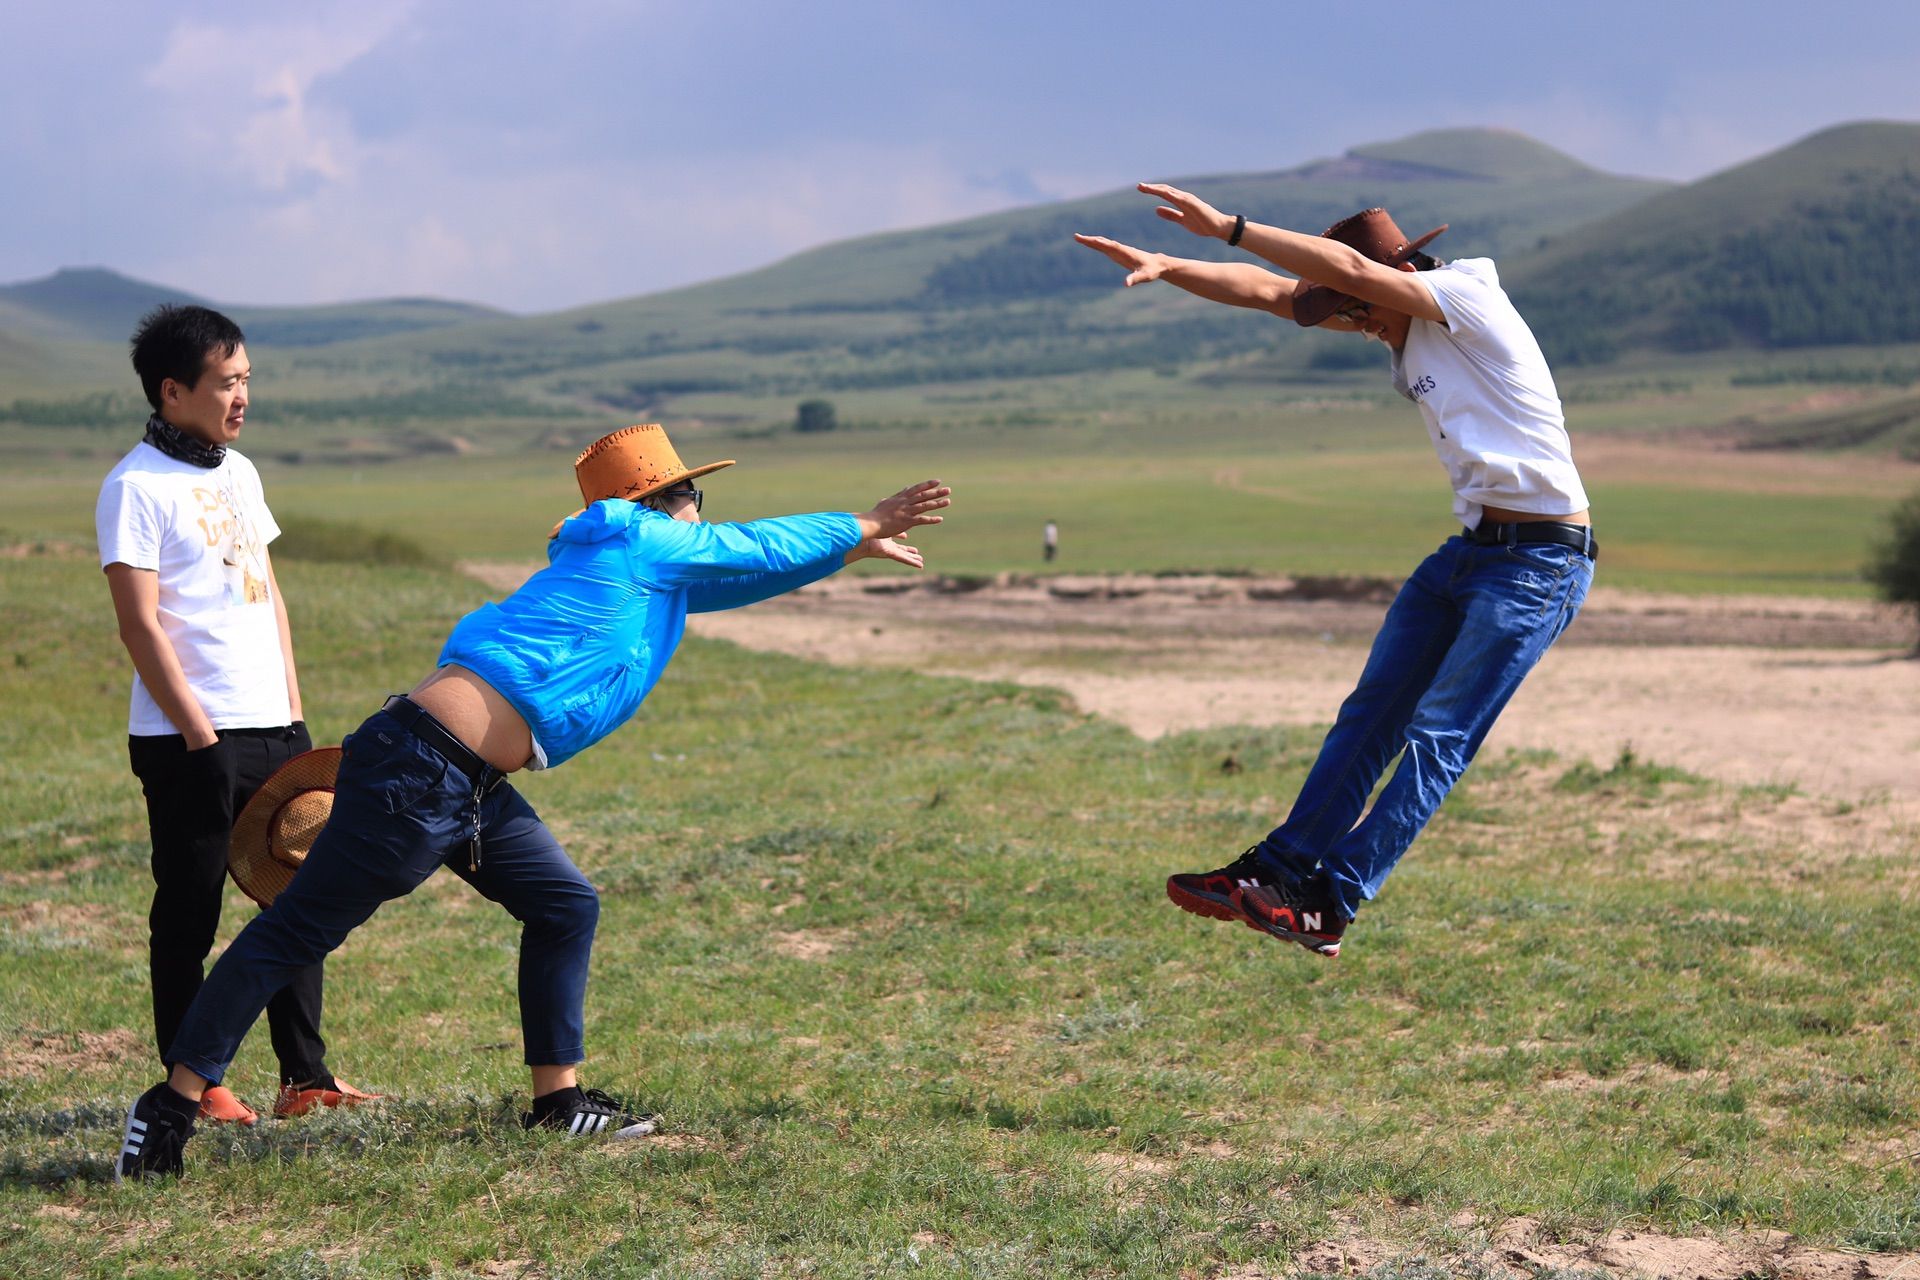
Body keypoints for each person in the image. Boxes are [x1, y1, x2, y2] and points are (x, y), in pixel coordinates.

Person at [115, 423, 952, 1179]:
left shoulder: (640, 566)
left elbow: (743, 574)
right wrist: (863, 522)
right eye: (691, 493)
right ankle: (169, 1109)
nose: (700, 508)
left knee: (563, 903)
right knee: (294, 931)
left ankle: (559, 1102)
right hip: (423, 771)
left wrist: (845, 554)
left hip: (466, 781)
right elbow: (754, 546)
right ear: (655, 502)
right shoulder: (636, 540)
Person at [1077, 183, 1594, 958]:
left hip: (1539, 563)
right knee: (1370, 717)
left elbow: (1342, 276)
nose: (1359, 329)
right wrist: (1169, 266)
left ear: (1393, 274)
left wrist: (1233, 227)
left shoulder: (1463, 296)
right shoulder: (1403, 324)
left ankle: (1331, 901)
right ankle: (1280, 870)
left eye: (1360, 310)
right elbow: (1279, 293)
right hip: (1471, 553)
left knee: (1437, 738)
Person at [97, 304, 371, 1127]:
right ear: (173, 390)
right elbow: (139, 623)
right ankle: (198, 1080)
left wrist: (293, 710)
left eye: (246, 379)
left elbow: (268, 592)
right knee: (189, 912)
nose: (242, 397)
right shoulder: (133, 487)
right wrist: (200, 736)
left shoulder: (239, 472)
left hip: (273, 727)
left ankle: (305, 1077)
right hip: (191, 742)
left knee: (298, 900)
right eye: (226, 383)